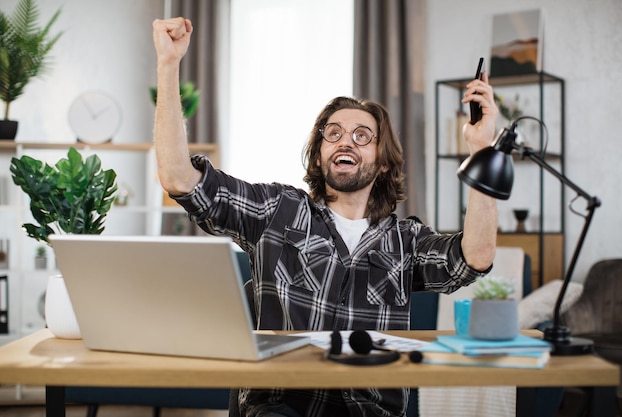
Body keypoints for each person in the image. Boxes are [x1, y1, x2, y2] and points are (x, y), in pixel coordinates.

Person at [152, 17, 499, 417]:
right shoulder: (277, 211)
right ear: (320, 154)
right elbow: (179, 178)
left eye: (362, 135)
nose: (344, 140)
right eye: (332, 133)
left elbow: (474, 257)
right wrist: (168, 64)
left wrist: (482, 150)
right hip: (282, 409)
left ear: (383, 162)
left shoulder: (406, 241)